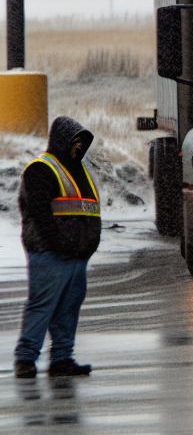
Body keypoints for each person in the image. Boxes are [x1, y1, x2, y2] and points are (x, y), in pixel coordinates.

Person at [14, 116, 101, 379]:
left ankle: (62, 359)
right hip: (49, 252)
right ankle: (26, 357)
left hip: (77, 253)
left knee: (68, 308)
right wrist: (57, 242)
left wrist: (88, 244)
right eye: (75, 142)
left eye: (81, 142)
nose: (79, 147)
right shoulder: (41, 169)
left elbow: (89, 209)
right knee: (43, 305)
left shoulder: (83, 170)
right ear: (63, 141)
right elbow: (39, 212)